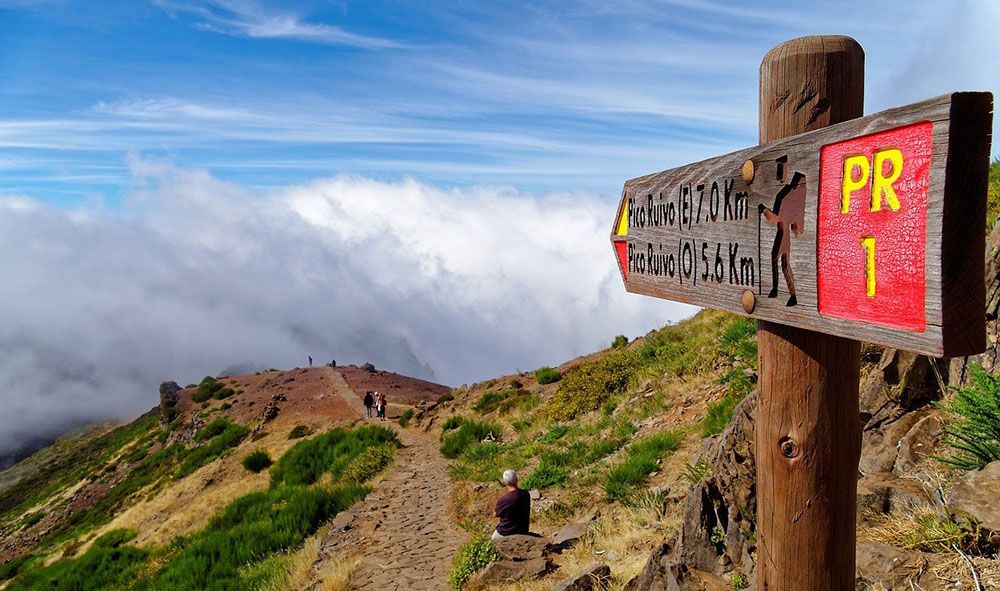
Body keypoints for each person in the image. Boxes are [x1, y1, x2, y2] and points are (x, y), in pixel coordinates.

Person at [492, 469, 530, 539]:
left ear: (505, 482)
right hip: (522, 530)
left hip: (506, 532)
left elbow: (495, 515)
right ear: (516, 479)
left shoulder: (504, 499)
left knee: (493, 539)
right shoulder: (526, 494)